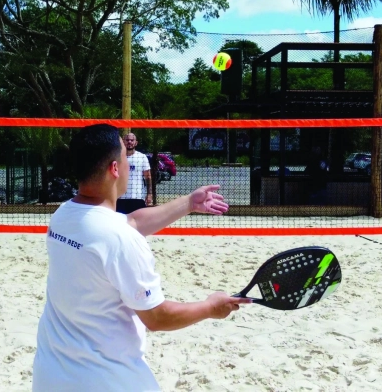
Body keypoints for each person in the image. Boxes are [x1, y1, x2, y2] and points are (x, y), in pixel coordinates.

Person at [32, 124, 251, 392]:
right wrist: (210, 307)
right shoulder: (121, 240)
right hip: (108, 380)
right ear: (115, 168)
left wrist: (189, 203)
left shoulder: (63, 215)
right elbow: (157, 317)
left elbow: (131, 222)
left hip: (51, 377)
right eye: (125, 156)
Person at [117, 132, 153, 214]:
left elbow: (148, 177)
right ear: (123, 142)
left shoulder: (142, 157)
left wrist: (149, 194)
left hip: (137, 197)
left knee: (137, 225)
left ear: (136, 143)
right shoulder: (117, 157)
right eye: (127, 140)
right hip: (120, 197)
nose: (129, 142)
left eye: (132, 140)